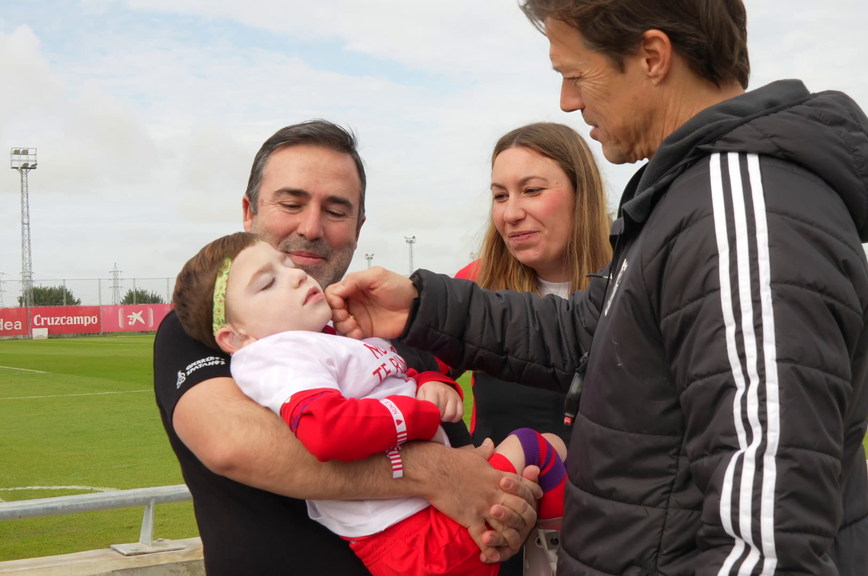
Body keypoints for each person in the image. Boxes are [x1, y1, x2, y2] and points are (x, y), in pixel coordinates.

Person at [328, 1, 868, 575]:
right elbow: (584, 333)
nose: (568, 102)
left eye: (575, 76)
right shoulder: (686, 195)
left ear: (652, 56)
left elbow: (769, 533)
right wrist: (426, 305)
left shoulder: (741, 207)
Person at [152, 120, 541, 575]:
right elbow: (231, 443)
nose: (311, 227)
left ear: (358, 226)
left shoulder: (382, 328)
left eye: (336, 211)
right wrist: (435, 471)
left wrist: (504, 507)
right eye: (291, 202)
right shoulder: (209, 327)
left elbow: (470, 465)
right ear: (249, 211)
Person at [170, 232, 568, 576]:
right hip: (414, 540)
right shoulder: (277, 353)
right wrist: (422, 416)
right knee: (540, 448)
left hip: (431, 525)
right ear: (235, 338)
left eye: (287, 265)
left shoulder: (332, 332)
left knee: (536, 467)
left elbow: (396, 376)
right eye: (266, 283)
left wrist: (430, 383)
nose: (294, 276)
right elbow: (326, 429)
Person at [458, 122, 612, 450]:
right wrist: (433, 383)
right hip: (503, 497)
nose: (510, 213)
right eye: (500, 196)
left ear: (581, 193)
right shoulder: (477, 281)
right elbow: (401, 372)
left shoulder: (629, 280)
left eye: (532, 190)